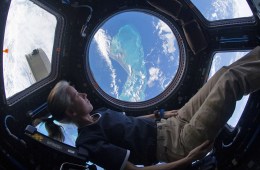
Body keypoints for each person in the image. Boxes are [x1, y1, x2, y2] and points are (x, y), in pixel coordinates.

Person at [43, 46, 260, 170]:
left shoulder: (101, 113)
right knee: (230, 81)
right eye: (76, 96)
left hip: (173, 122)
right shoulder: (87, 142)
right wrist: (186, 160)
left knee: (223, 72)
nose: (83, 93)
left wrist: (158, 114)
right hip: (179, 144)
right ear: (71, 112)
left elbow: (132, 125)